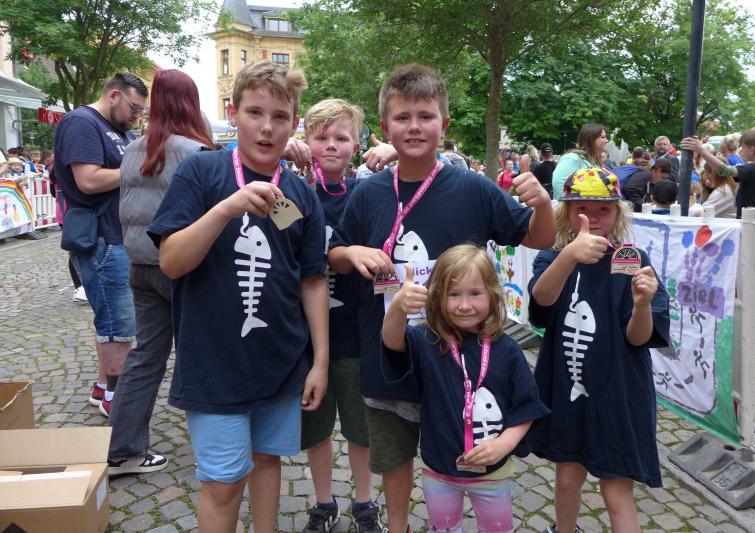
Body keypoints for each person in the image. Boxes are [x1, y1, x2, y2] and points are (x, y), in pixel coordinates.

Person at [328, 63, 555, 533]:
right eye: (403, 117)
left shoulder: (473, 188)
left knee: (454, 463)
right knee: (393, 459)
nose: (414, 126)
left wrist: (542, 204)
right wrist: (352, 251)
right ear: (385, 125)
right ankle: (397, 525)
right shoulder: (368, 193)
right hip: (389, 356)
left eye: (425, 116)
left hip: (460, 363)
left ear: (443, 124)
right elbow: (334, 256)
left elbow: (537, 238)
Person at [148, 60, 328, 532]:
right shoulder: (202, 172)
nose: (267, 127)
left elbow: (311, 280)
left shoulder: (300, 194)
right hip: (215, 365)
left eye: (280, 117)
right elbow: (171, 261)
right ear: (233, 112)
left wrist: (321, 362)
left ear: (294, 123)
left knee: (268, 462)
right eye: (254, 113)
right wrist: (224, 210)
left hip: (280, 361)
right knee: (224, 483)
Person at [528, 167, 670, 533]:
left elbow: (638, 338)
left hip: (619, 392)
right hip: (568, 388)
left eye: (603, 209)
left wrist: (642, 305)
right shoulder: (553, 258)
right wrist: (568, 257)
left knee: (616, 491)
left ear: (617, 214)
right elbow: (541, 305)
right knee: (567, 477)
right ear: (567, 212)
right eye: (582, 209)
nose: (592, 218)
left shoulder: (633, 260)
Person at [382, 244, 549, 533]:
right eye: (454, 294)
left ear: (492, 294)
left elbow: (527, 407)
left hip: (492, 472)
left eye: (475, 293)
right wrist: (397, 307)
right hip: (439, 470)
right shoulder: (426, 341)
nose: (464, 305)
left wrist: (503, 444)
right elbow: (391, 341)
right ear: (437, 296)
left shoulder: (508, 350)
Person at [108, 69, 215, 476]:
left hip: (140, 264)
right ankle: (216, 444)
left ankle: (122, 449)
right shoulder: (197, 152)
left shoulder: (133, 149)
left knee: (145, 357)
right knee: (203, 354)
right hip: (181, 268)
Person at [299, 99, 385, 533]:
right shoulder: (290, 193)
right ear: (305, 141)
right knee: (315, 428)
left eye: (341, 137)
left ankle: (364, 502)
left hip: (356, 333)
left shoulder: (366, 193)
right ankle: (322, 501)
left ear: (356, 146)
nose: (331, 145)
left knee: (360, 428)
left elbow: (430, 172)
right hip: (305, 338)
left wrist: (393, 152)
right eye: (321, 137)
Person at [54, 72, 147, 416]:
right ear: (114, 96)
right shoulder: (81, 122)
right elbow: (89, 180)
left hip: (115, 235)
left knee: (112, 319)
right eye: (134, 108)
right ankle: (116, 400)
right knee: (118, 326)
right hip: (102, 239)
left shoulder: (118, 129)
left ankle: (102, 386)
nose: (137, 117)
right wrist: (142, 169)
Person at [681, 128, 755, 274]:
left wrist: (701, 150)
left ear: (752, 149)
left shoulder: (752, 169)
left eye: (742, 148)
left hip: (749, 228)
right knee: (751, 274)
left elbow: (724, 171)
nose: (740, 152)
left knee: (740, 274)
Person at [552, 124, 608, 199]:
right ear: (591, 140)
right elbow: (559, 184)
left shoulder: (592, 161)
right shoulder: (572, 159)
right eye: (603, 137)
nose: (607, 141)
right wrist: (572, 204)